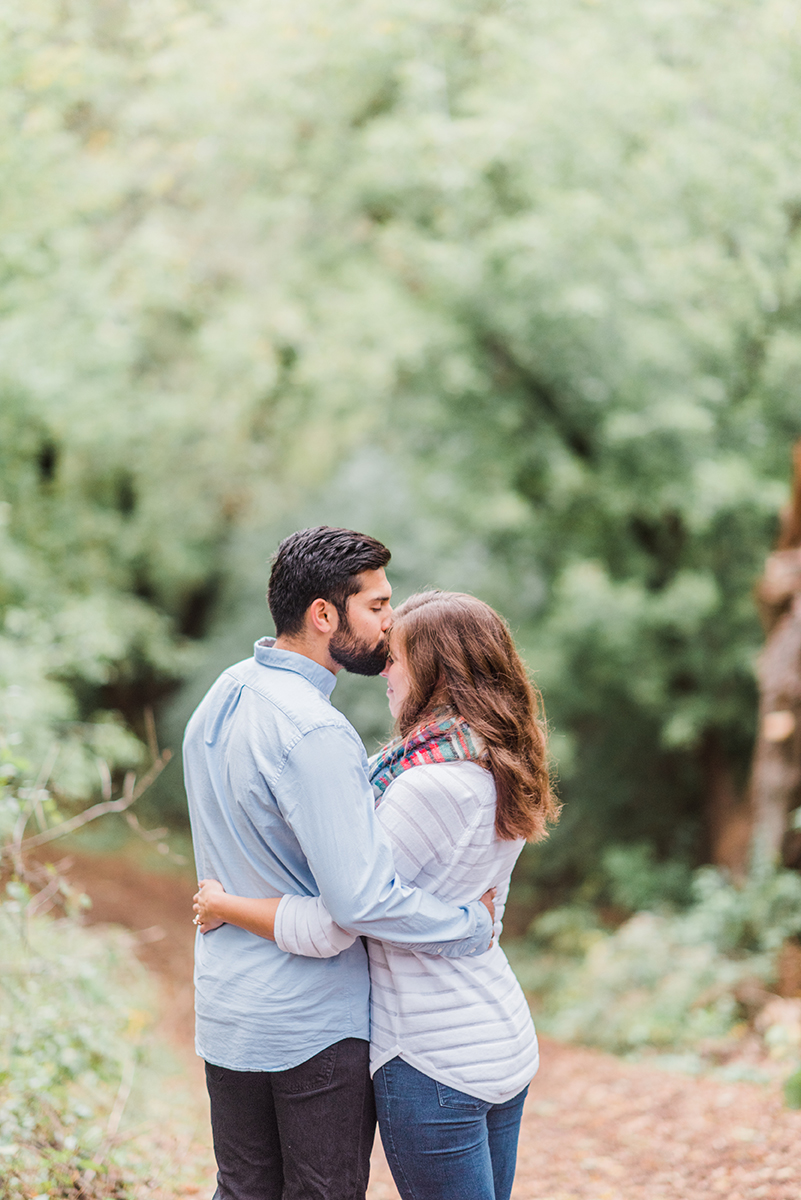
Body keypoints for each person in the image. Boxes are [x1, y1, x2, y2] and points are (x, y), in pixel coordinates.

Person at [194, 589, 560, 1200]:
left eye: (397, 658)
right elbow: (485, 894)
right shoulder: (497, 759)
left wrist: (225, 906)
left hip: (434, 1054)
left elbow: (342, 920)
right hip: (497, 1032)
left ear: (438, 672)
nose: (383, 670)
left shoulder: (428, 785)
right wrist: (474, 923)